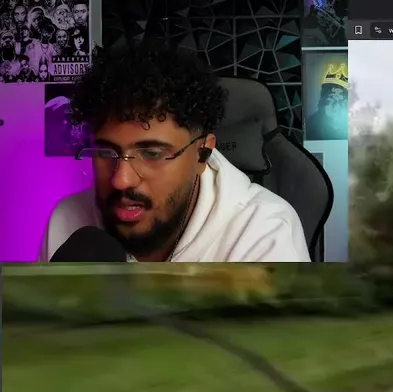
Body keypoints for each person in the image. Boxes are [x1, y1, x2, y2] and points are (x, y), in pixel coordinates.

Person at [43, 43, 311, 262]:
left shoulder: (263, 233)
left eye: (151, 153)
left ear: (203, 153)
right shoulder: (69, 220)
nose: (121, 180)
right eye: (105, 152)